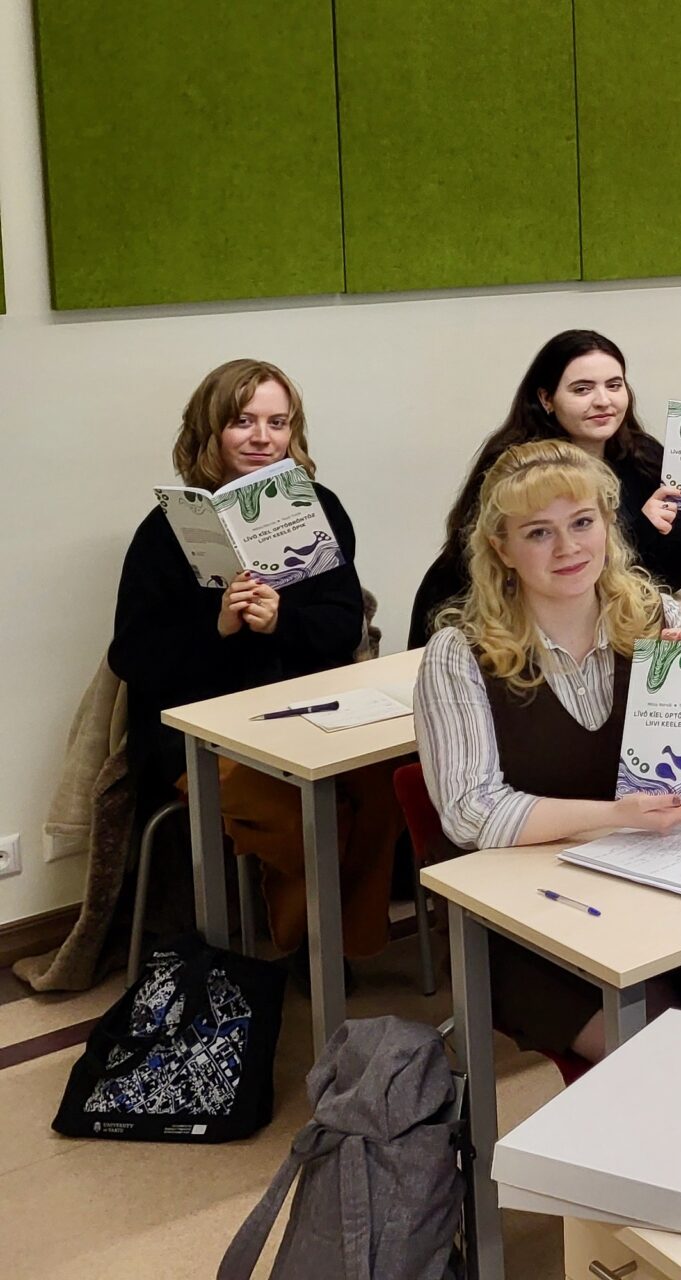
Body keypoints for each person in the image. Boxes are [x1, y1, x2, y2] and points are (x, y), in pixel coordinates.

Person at [412, 440, 681, 1064]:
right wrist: (616, 815)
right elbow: (472, 812)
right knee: (658, 1037)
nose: (569, 548)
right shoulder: (460, 652)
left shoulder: (655, 616)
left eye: (582, 523)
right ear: (502, 548)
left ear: (608, 524)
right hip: (534, 913)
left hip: (660, 869)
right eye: (538, 533)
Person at [110, 359, 400, 960]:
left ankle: (338, 948)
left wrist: (281, 620)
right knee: (301, 812)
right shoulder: (165, 530)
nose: (263, 437)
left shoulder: (316, 507)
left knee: (384, 784)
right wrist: (218, 627)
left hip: (300, 709)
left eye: (278, 421)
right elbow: (132, 656)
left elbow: (345, 621)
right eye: (243, 422)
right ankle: (313, 953)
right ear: (211, 430)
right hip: (199, 731)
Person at [411, 330, 681, 645]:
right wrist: (639, 530)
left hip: (588, 632)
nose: (603, 401)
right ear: (546, 398)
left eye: (614, 385)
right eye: (582, 389)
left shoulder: (641, 456)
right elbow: (554, 575)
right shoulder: (520, 469)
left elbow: (658, 581)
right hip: (491, 626)